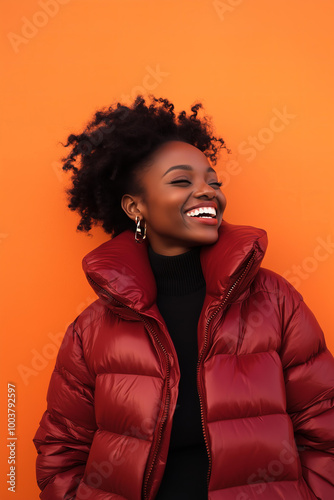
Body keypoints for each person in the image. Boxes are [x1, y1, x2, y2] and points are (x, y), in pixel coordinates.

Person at [33, 95, 334, 500]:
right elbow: (61, 449)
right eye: (181, 181)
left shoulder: (273, 298)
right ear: (135, 207)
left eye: (213, 181)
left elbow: (325, 423)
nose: (207, 192)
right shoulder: (91, 329)